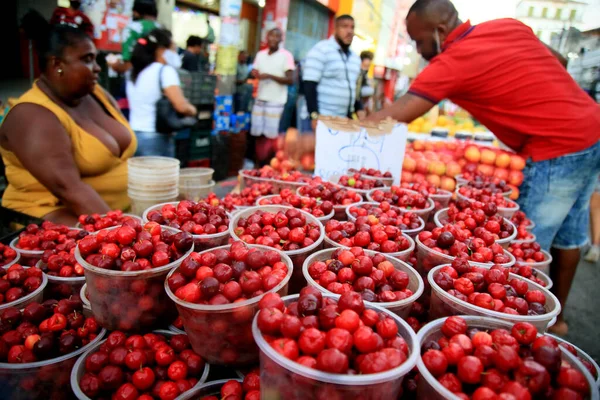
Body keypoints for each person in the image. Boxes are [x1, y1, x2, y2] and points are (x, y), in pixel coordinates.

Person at [366, 0, 600, 335]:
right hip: (592, 128)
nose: (419, 49)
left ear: (440, 31)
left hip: (555, 146)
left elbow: (396, 114)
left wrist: (323, 136)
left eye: (419, 41)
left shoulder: (453, 60)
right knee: (571, 235)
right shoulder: (507, 26)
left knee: (524, 250)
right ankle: (557, 320)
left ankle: (522, 335)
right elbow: (559, 60)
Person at [0, 24, 136, 225]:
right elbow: (68, 189)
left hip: (118, 213)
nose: (97, 67)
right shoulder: (31, 115)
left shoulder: (95, 93)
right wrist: (127, 230)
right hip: (52, 218)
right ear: (57, 65)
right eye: (87, 59)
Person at [126, 29, 197, 157]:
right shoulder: (165, 71)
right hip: (156, 139)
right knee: (161, 177)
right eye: (173, 49)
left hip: (134, 136)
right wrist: (192, 110)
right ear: (161, 50)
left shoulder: (134, 72)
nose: (175, 53)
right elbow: (180, 106)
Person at [303, 15, 362, 130]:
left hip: (343, 121)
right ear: (335, 28)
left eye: (352, 27)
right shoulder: (321, 50)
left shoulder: (355, 58)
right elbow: (309, 85)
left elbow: (353, 88)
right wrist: (314, 116)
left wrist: (359, 108)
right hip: (321, 119)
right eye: (344, 27)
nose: (349, 31)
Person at [249, 28, 295, 164]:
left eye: (277, 36)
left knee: (272, 135)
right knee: (257, 133)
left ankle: (270, 162)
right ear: (266, 38)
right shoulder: (260, 55)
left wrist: (269, 76)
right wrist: (255, 74)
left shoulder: (286, 56)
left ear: (281, 39)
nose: (273, 39)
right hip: (260, 99)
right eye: (271, 36)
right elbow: (255, 71)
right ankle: (258, 162)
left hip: (276, 101)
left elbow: (290, 80)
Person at [108, 0, 160, 74]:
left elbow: (127, 63)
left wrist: (113, 65)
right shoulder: (162, 30)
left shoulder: (132, 29)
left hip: (137, 77)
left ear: (135, 12)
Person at [357, 50, 375, 115]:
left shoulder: (366, 75)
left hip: (361, 98)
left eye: (368, 66)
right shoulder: (357, 72)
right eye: (365, 66)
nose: (366, 69)